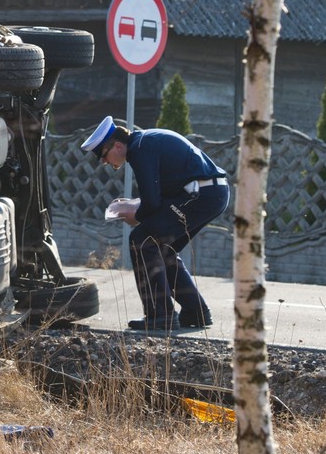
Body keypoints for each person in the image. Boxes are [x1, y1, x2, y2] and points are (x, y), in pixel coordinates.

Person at [81, 116, 229, 332]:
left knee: (142, 240)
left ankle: (160, 316)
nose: (104, 162)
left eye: (103, 155)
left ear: (118, 145)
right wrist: (134, 206)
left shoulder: (140, 150)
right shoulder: (145, 142)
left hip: (201, 195)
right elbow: (158, 195)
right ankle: (196, 312)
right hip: (210, 193)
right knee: (162, 248)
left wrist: (136, 215)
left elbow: (152, 202)